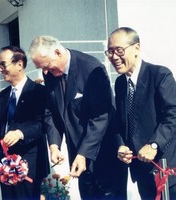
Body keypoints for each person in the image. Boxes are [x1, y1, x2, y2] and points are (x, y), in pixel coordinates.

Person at [106, 27, 176, 200]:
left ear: (137, 48)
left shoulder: (159, 75)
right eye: (110, 52)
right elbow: (120, 121)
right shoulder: (120, 83)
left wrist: (154, 144)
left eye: (119, 50)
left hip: (172, 168)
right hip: (143, 172)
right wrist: (121, 145)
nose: (114, 57)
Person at [28, 36, 115, 199]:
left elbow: (101, 117)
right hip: (78, 157)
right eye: (42, 69)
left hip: (103, 153)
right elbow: (51, 110)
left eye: (47, 66)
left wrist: (84, 154)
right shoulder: (50, 73)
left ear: (57, 52)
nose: (45, 72)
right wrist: (54, 145)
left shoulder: (91, 68)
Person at [0, 46, 49, 200]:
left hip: (29, 165)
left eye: (3, 65)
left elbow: (44, 125)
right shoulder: (3, 96)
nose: (0, 70)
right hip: (5, 165)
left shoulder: (38, 92)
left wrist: (20, 133)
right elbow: (0, 125)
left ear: (19, 64)